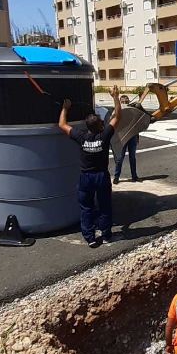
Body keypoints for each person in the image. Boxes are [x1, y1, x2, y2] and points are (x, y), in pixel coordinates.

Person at [59, 86, 121, 248]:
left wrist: (65, 108)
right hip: (101, 176)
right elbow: (117, 117)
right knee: (105, 206)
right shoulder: (105, 135)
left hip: (86, 177)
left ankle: (90, 237)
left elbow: (62, 125)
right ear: (100, 125)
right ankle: (106, 235)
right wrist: (115, 97)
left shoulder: (81, 136)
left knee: (87, 207)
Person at [113, 94, 138, 184]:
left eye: (126, 101)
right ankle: (116, 176)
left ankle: (134, 176)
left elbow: (136, 124)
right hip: (121, 137)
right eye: (123, 102)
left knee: (132, 157)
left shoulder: (133, 111)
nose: (124, 103)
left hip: (132, 136)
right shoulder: (117, 111)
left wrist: (137, 136)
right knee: (120, 158)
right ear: (120, 102)